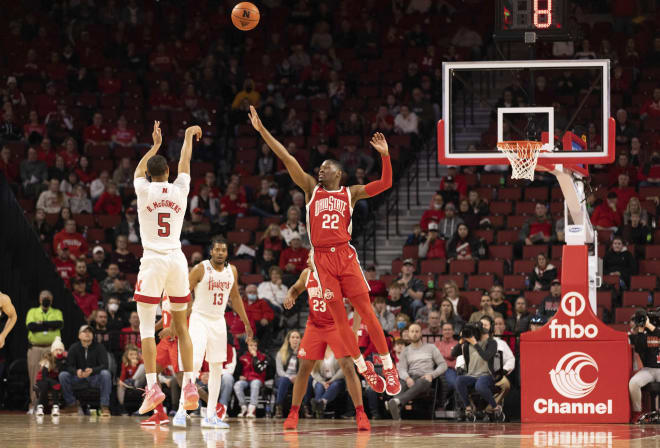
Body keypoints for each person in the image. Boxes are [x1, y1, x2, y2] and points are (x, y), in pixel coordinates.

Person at [250, 106, 400, 395]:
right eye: (319, 168)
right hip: (321, 260)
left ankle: (388, 367)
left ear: (339, 173)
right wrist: (262, 132)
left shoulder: (350, 193)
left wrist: (384, 155)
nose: (320, 170)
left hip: (345, 255)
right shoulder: (310, 189)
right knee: (340, 319)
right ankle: (363, 367)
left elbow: (386, 183)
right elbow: (286, 157)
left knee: (366, 312)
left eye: (325, 168)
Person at [132, 122, 200, 417]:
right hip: (176, 259)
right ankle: (190, 385)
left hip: (153, 260)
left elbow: (137, 171)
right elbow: (185, 161)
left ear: (150, 174)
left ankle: (152, 387)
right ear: (168, 174)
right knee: (183, 327)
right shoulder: (180, 188)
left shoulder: (143, 188)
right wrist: (186, 136)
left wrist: (155, 145)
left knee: (147, 329)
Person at [173, 237, 252, 428]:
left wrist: (246, 323)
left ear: (227, 253)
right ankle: (182, 411)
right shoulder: (200, 268)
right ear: (211, 251)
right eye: (216, 249)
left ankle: (210, 415)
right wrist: (179, 320)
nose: (219, 253)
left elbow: (235, 297)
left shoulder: (231, 270)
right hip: (199, 319)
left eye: (223, 250)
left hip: (218, 321)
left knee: (217, 368)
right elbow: (184, 293)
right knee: (195, 363)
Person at [282, 262, 370, 430]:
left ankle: (360, 413)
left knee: (348, 367)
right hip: (314, 326)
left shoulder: (339, 274)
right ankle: (293, 413)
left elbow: (358, 302)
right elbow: (295, 288)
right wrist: (290, 295)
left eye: (311, 256)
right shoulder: (307, 274)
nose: (307, 259)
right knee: (304, 369)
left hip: (337, 326)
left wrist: (355, 330)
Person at [385, 323, 447, 420]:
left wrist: (432, 375)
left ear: (421, 334)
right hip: (410, 377)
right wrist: (407, 378)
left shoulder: (431, 348)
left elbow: (443, 365)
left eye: (417, 331)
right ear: (409, 334)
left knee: (423, 381)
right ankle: (397, 408)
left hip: (425, 378)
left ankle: (396, 402)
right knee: (399, 384)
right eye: (412, 331)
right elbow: (401, 369)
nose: (414, 334)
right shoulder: (405, 351)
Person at [452, 320, 501, 421]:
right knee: (459, 380)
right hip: (472, 376)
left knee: (480, 385)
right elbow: (453, 354)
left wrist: (475, 343)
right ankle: (468, 408)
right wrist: (461, 340)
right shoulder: (466, 345)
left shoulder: (491, 343)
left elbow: (486, 357)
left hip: (487, 375)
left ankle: (496, 407)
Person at [59, 325, 112, 416]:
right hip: (79, 378)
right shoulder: (74, 347)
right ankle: (72, 405)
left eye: (90, 332)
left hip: (94, 378)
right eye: (84, 332)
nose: (87, 334)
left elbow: (105, 365)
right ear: (79, 335)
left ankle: (104, 406)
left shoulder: (99, 347)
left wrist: (92, 370)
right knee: (63, 375)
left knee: (105, 374)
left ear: (93, 335)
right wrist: (76, 372)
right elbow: (68, 366)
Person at [26, 290, 63, 412]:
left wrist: (41, 324)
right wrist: (49, 325)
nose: (46, 299)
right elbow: (31, 327)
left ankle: (52, 405)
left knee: (53, 377)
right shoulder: (33, 311)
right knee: (35, 377)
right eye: (43, 297)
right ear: (39, 299)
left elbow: (58, 324)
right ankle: (34, 405)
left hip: (51, 349)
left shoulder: (57, 312)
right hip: (36, 347)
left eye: (48, 297)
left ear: (51, 300)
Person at [628, 312, 660, 423]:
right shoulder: (644, 332)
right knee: (634, 382)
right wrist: (641, 330)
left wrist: (650, 326)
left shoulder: (655, 330)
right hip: (648, 369)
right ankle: (637, 413)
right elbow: (639, 348)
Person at [233, 338, 267, 418]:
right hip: (246, 380)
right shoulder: (242, 357)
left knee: (254, 384)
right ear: (247, 346)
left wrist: (255, 357)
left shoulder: (263, 357)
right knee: (237, 385)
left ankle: (252, 409)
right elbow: (237, 371)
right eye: (251, 345)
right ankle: (243, 407)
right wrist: (239, 376)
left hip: (257, 379)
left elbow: (260, 370)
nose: (253, 347)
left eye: (255, 345)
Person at [35, 337, 66, 417]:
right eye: (56, 350)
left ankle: (55, 407)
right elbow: (44, 376)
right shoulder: (47, 360)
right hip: (42, 379)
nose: (59, 352)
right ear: (52, 351)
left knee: (54, 386)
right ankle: (40, 407)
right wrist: (54, 382)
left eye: (60, 350)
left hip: (52, 381)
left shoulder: (63, 361)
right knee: (46, 385)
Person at [274, 330, 303, 417]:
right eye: (293, 337)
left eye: (297, 337)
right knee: (284, 379)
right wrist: (290, 377)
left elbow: (304, 370)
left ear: (301, 340)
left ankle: (305, 408)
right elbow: (279, 371)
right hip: (283, 377)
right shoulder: (281, 353)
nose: (295, 340)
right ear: (288, 340)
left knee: (307, 380)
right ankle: (278, 407)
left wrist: (297, 378)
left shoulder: (303, 353)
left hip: (297, 378)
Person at [117, 345, 146, 409]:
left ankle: (132, 380)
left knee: (143, 366)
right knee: (120, 385)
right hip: (128, 384)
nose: (133, 356)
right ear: (127, 355)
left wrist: (135, 366)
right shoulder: (125, 363)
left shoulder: (140, 362)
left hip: (139, 382)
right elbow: (123, 377)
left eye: (135, 354)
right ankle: (122, 407)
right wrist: (121, 381)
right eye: (131, 354)